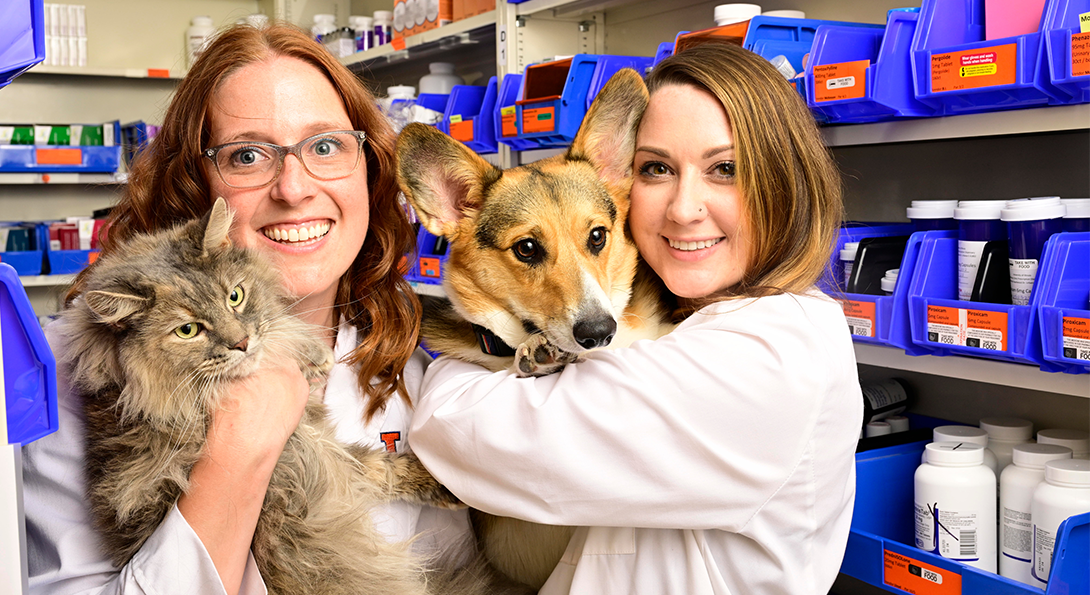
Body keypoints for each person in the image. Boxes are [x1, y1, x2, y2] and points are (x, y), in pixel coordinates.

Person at [22, 22, 471, 595]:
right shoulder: (70, 374)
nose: (293, 188)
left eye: (326, 146)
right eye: (248, 156)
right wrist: (237, 454)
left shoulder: (424, 351)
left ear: (370, 168)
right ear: (195, 185)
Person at [409, 42, 862, 594]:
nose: (683, 208)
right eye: (656, 168)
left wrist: (463, 359)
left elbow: (466, 436)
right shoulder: (692, 319)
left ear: (783, 183)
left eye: (725, 169)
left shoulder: (777, 354)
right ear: (625, 179)